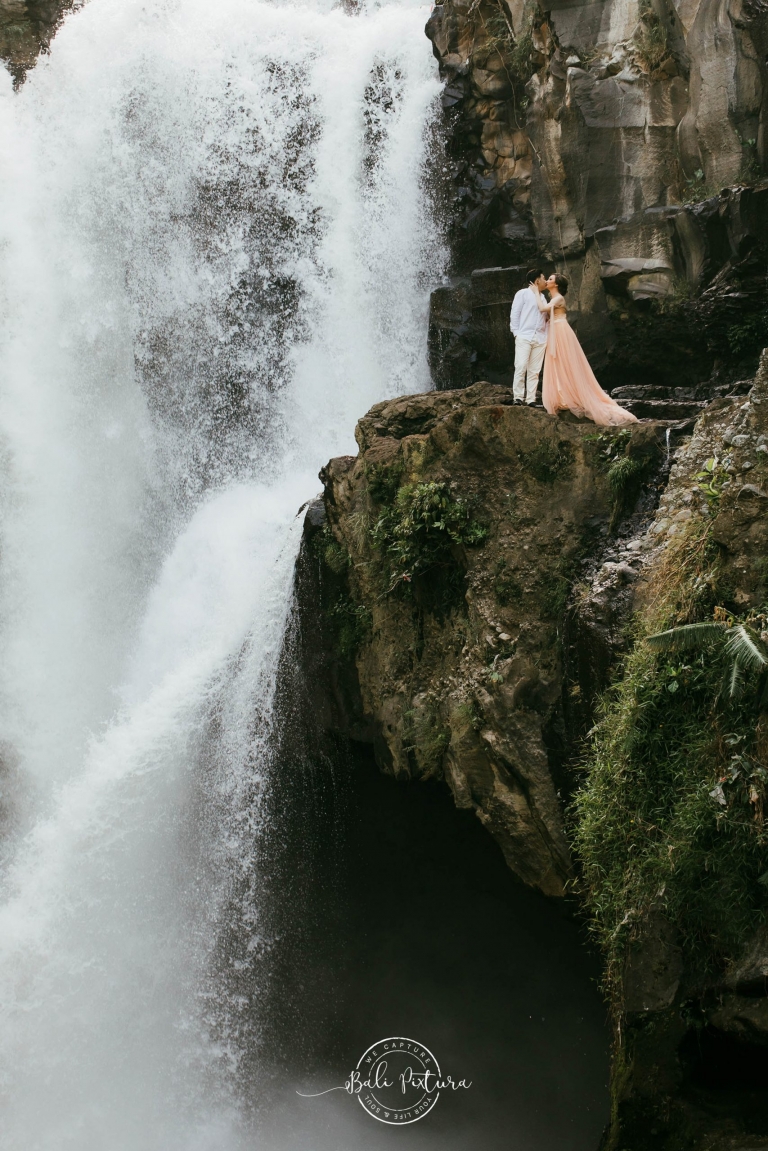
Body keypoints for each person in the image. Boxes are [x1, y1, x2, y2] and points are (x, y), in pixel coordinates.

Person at [535, 273, 637, 426]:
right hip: (555, 331)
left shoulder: (558, 298)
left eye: (550, 279)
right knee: (558, 362)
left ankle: (570, 395)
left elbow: (543, 309)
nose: (547, 281)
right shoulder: (553, 299)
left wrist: (536, 292)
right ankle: (562, 395)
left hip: (561, 331)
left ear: (556, 284)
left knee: (565, 361)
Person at [509, 269, 549, 406]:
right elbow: (515, 314)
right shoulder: (522, 294)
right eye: (544, 278)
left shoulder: (543, 297)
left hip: (540, 338)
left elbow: (546, 319)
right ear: (537, 280)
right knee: (520, 366)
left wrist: (546, 336)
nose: (546, 281)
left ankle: (531, 399)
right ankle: (518, 397)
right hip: (524, 335)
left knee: (535, 370)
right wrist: (516, 333)